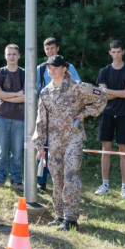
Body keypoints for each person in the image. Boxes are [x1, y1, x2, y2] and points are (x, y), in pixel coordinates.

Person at [33, 55, 107, 231]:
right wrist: (40, 145)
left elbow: (102, 96)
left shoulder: (76, 87)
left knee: (70, 176)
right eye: (50, 67)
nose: (52, 70)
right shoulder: (45, 92)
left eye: (56, 67)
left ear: (64, 68)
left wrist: (85, 113)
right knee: (57, 177)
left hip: (73, 139)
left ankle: (71, 218)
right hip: (55, 142)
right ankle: (59, 215)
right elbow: (41, 121)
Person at [94, 40, 125, 200]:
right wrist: (116, 93)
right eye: (114, 52)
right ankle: (105, 185)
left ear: (123, 52)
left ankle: (124, 187)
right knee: (106, 150)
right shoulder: (104, 71)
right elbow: (101, 95)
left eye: (119, 51)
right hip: (106, 113)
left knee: (123, 152)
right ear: (110, 53)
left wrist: (109, 92)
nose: (116, 54)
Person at [36, 37, 81, 192]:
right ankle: (41, 180)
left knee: (66, 150)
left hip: (65, 118)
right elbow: (35, 91)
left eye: (53, 48)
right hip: (47, 115)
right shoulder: (41, 68)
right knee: (43, 146)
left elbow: (78, 88)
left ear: (58, 49)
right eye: (47, 49)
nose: (50, 51)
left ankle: (66, 182)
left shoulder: (68, 67)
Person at [0, 44, 26, 191]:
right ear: (5, 56)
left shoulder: (24, 73)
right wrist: (16, 94)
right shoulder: (0, 72)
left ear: (18, 56)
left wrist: (5, 96)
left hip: (20, 117)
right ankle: (0, 178)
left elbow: (26, 97)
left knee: (17, 152)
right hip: (2, 116)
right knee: (2, 150)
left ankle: (16, 180)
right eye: (9, 54)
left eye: (14, 54)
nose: (11, 57)